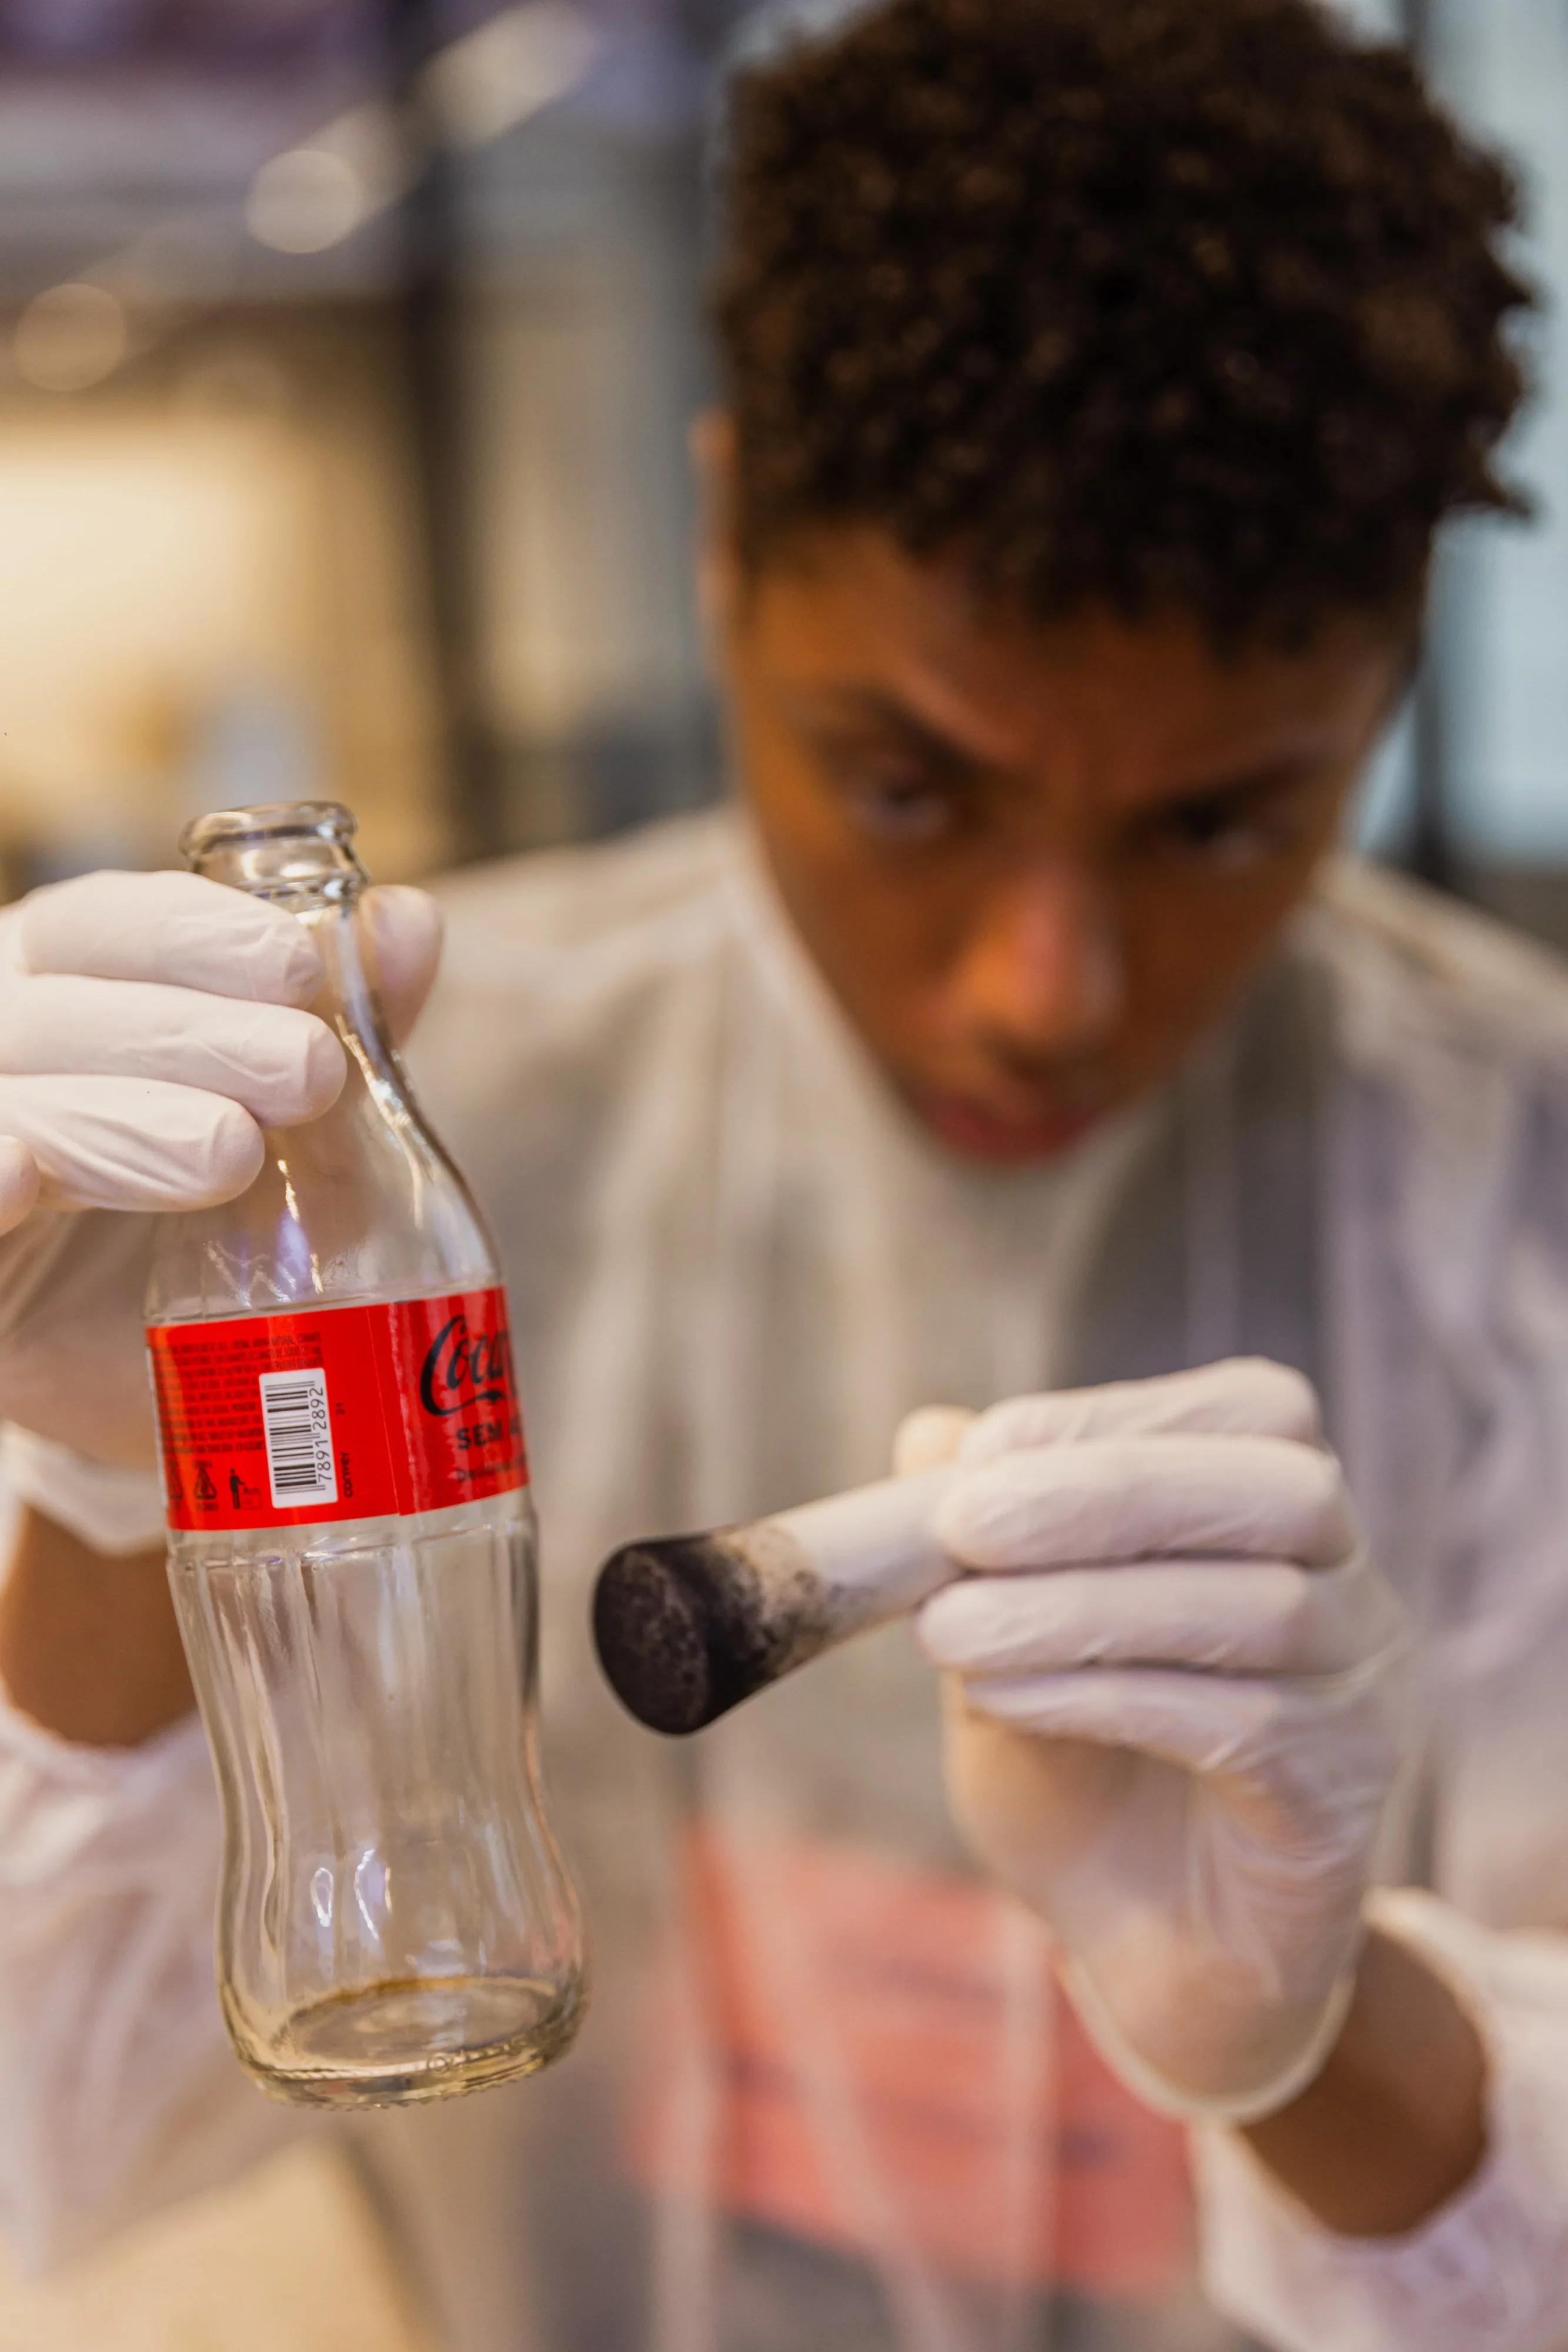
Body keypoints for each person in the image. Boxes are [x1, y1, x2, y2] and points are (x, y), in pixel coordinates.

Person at [0, 1, 1564, 2346]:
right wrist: (118, 1505)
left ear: (1389, 688)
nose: (1042, 988)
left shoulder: (1522, 1191)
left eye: (1221, 820)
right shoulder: (381, 1129)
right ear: (725, 540)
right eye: (910, 786)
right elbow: (60, 2144)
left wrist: (1309, 2033)